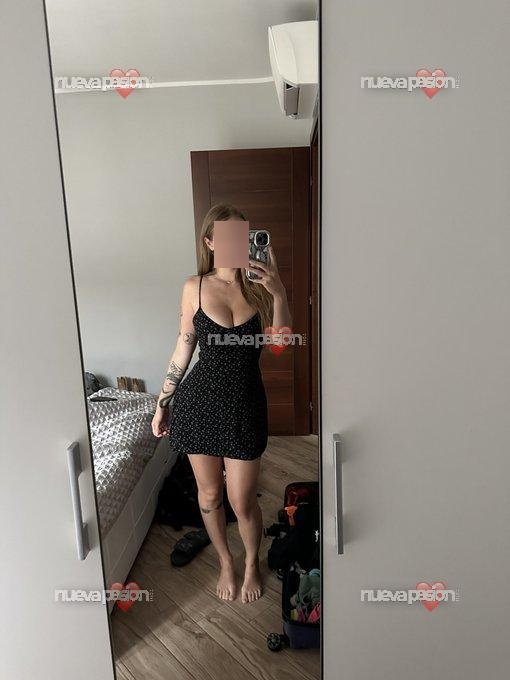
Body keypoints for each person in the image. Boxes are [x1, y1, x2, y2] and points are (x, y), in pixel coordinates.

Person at [151, 203, 291, 603]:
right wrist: (163, 402)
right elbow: (183, 348)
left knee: (242, 501)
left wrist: (278, 290)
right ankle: (227, 562)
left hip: (246, 404)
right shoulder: (194, 287)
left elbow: (280, 345)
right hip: (199, 404)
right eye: (226, 236)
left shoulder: (259, 287)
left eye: (241, 235)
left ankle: (251, 564)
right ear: (210, 242)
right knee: (210, 496)